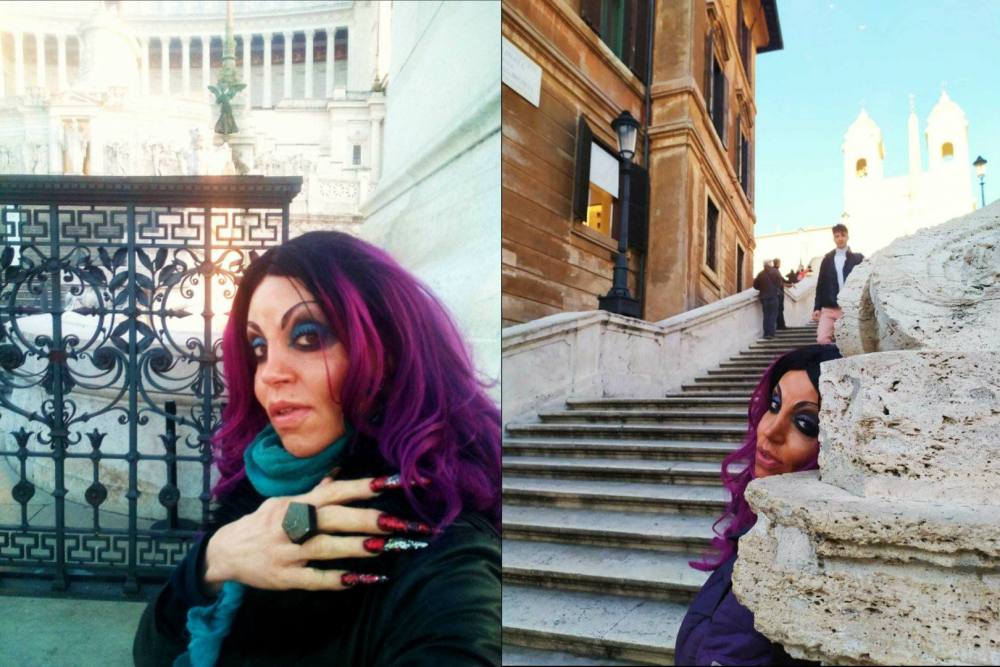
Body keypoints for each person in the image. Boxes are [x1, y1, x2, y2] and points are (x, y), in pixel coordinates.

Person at [133, 231, 501, 665]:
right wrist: (209, 563)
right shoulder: (252, 499)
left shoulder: (443, 546)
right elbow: (150, 654)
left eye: (308, 336)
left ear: (389, 352)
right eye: (259, 348)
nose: (270, 373)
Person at [675, 344, 842, 666]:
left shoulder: (815, 559)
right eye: (774, 405)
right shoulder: (760, 523)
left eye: (806, 424)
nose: (771, 430)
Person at [811, 224, 864, 344]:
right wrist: (817, 308)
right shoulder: (827, 259)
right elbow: (820, 284)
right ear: (834, 238)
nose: (840, 238)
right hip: (829, 307)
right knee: (822, 339)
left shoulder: (857, 259)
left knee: (851, 342)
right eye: (837, 236)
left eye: (843, 235)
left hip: (849, 307)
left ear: (847, 237)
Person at [752, 260, 781, 339]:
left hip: (764, 297)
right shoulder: (775, 272)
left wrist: (762, 288)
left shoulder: (760, 274)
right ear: (770, 264)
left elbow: (755, 286)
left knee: (766, 315)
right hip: (773, 296)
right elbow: (779, 283)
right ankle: (771, 334)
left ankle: (766, 334)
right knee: (773, 315)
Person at [772, 258, 790, 330]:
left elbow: (782, 281)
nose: (780, 264)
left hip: (778, 293)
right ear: (777, 263)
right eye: (779, 263)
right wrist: (788, 284)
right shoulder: (775, 271)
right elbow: (781, 282)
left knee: (779, 309)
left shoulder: (775, 271)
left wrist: (789, 284)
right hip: (778, 294)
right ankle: (781, 325)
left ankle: (780, 325)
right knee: (779, 309)